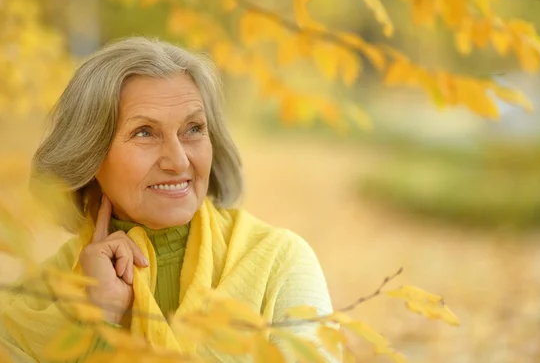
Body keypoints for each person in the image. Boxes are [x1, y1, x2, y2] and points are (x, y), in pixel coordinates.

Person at [0, 37, 334, 362]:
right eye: (144, 132)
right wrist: (102, 319)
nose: (178, 161)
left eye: (193, 129)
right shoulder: (36, 297)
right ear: (89, 156)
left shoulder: (279, 263)